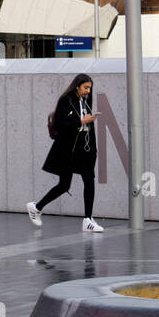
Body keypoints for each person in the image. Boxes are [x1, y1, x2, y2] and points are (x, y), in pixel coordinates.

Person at [27, 73, 102, 232]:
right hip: (68, 150)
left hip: (85, 149)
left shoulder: (86, 100)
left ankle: (88, 219)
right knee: (64, 185)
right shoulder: (66, 99)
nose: (88, 91)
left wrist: (94, 149)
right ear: (77, 86)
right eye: (85, 87)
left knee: (89, 180)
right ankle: (36, 207)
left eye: (90, 88)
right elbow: (60, 124)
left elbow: (88, 126)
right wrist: (81, 121)